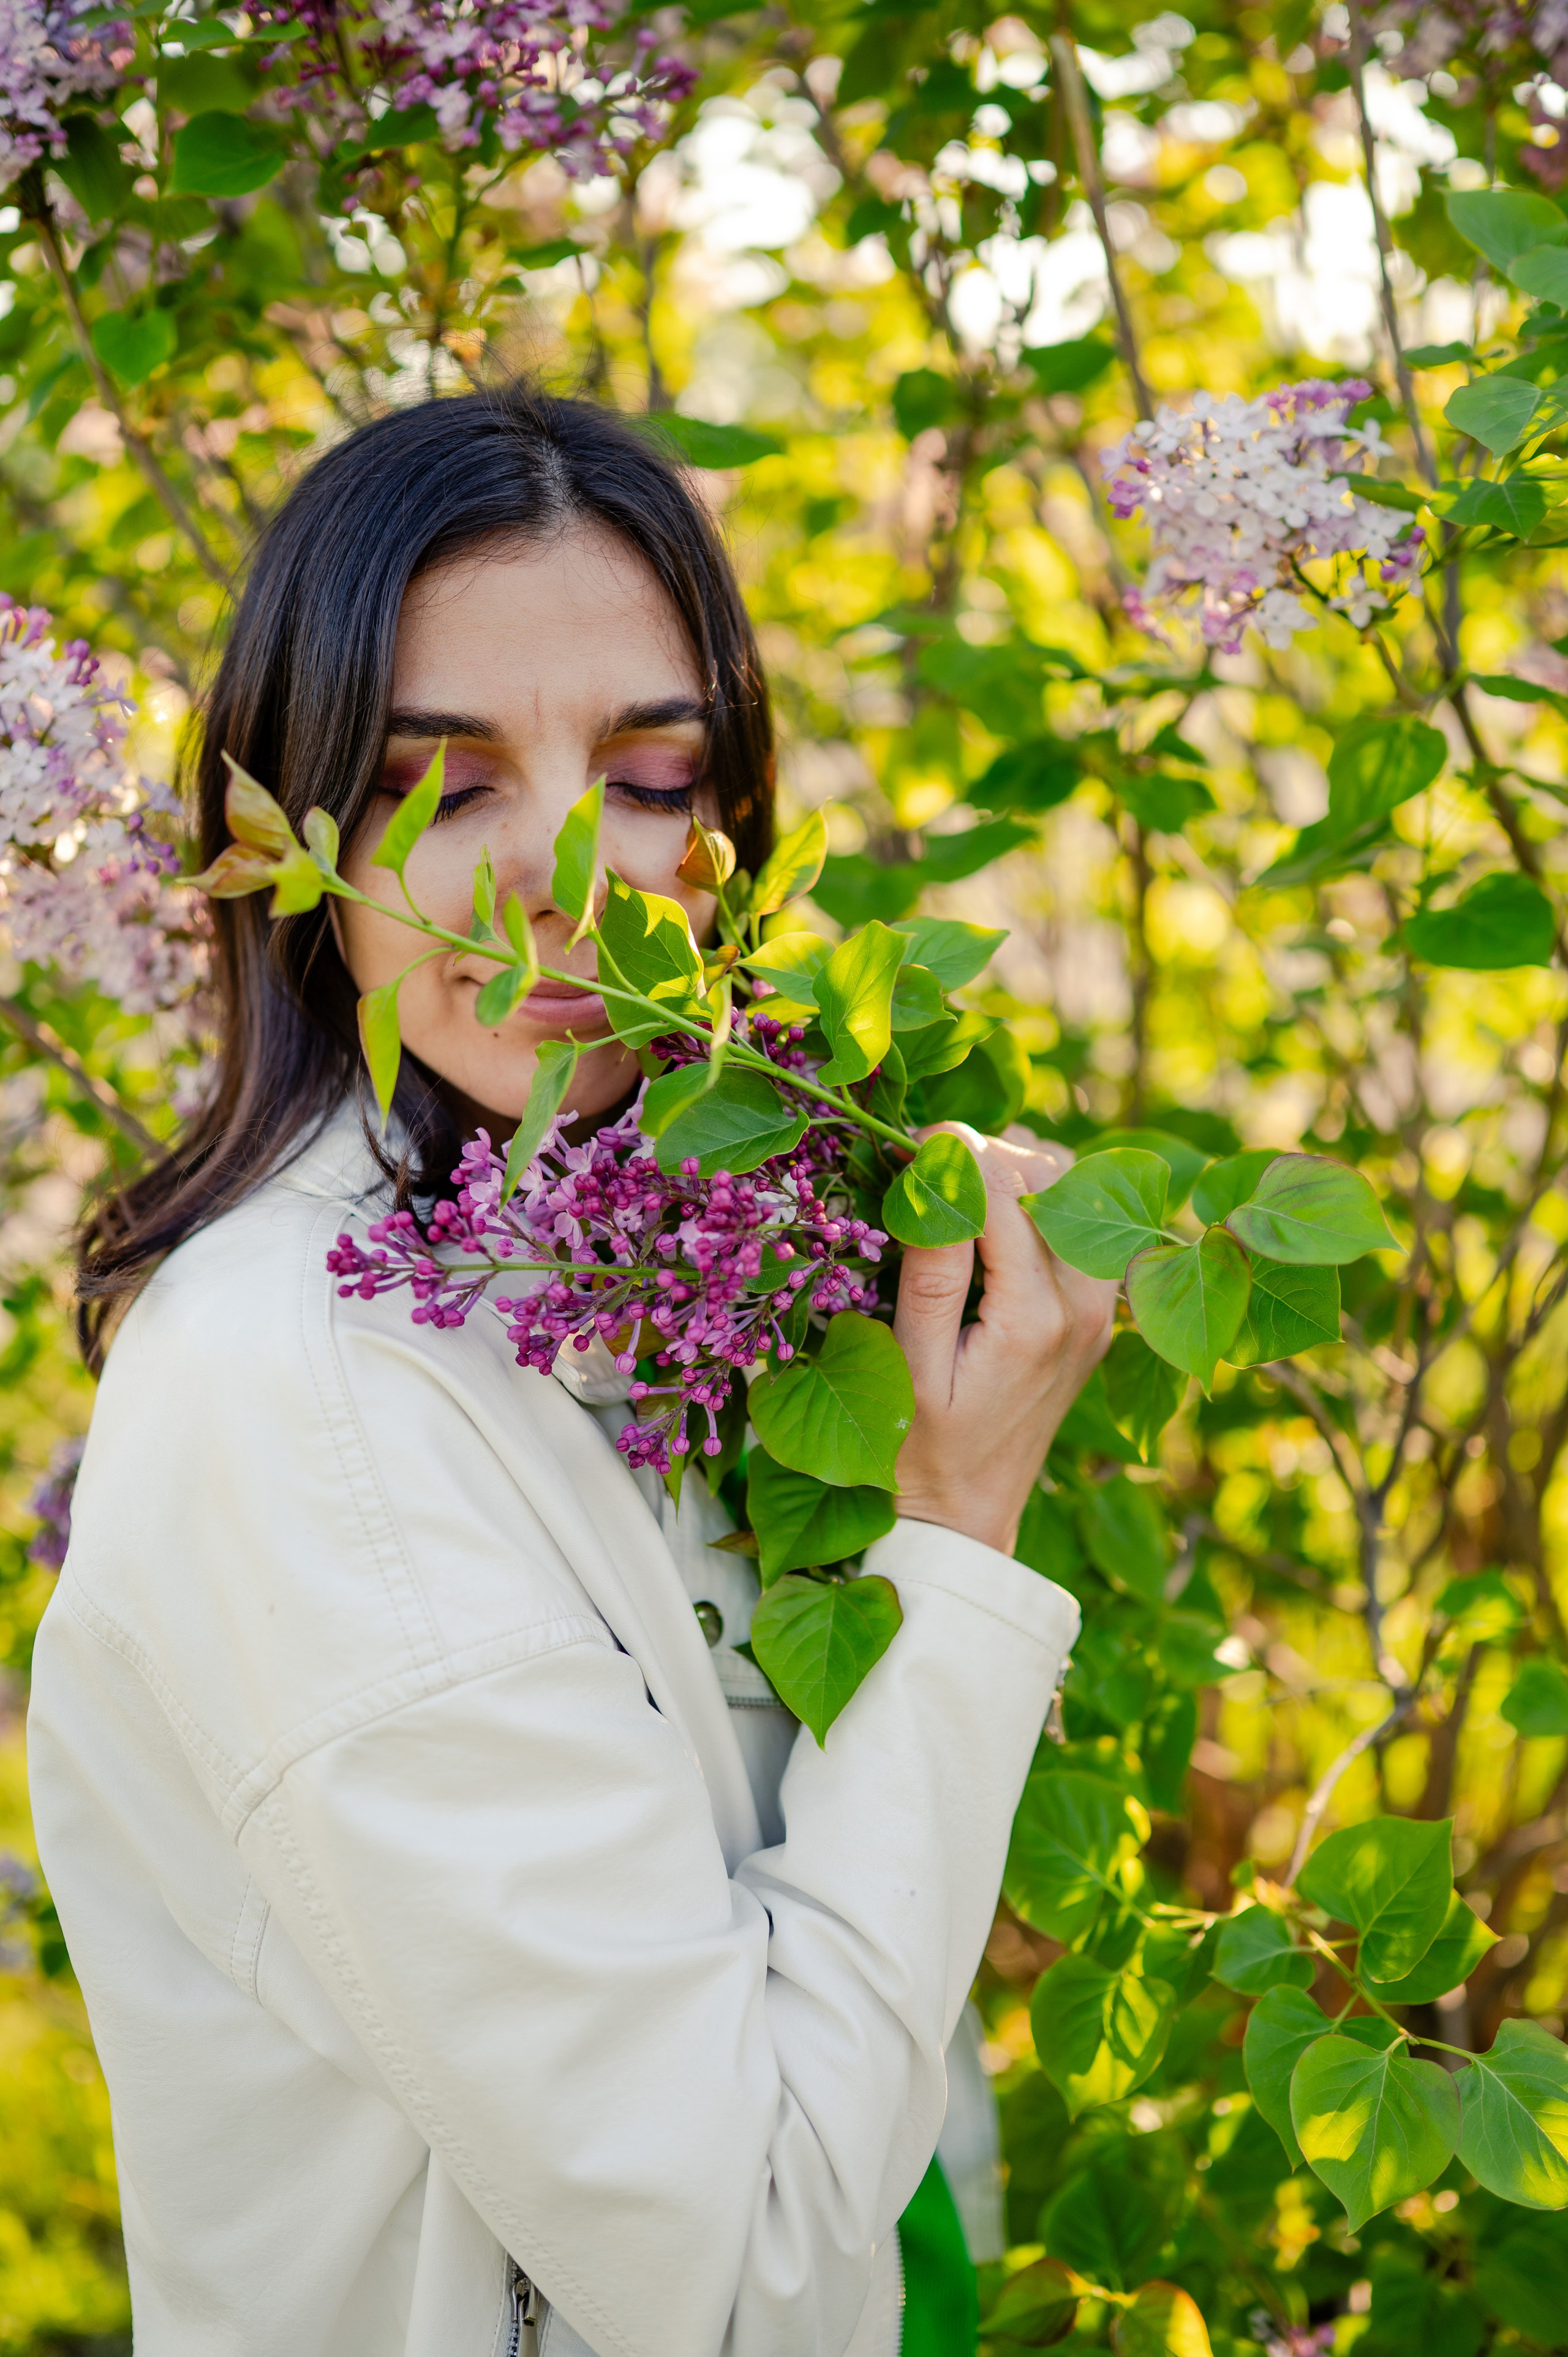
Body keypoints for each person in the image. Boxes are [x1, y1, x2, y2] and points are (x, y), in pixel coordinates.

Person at [27, 384, 1114, 2357]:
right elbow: (739, 2272)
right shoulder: (312, 1397)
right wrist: (958, 1532)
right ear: (294, 838)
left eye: (649, 773)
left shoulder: (654, 1236)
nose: (569, 881)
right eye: (441, 788)